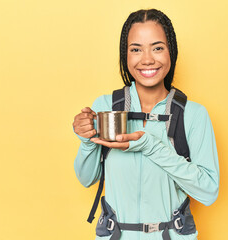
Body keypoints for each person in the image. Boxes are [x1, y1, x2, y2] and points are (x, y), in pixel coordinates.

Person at [72, 9, 219, 240]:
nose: (147, 59)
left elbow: (209, 192)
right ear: (125, 55)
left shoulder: (193, 115)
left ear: (171, 51)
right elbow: (87, 178)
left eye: (157, 47)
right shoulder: (106, 106)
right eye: (136, 49)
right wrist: (87, 141)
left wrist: (151, 146)